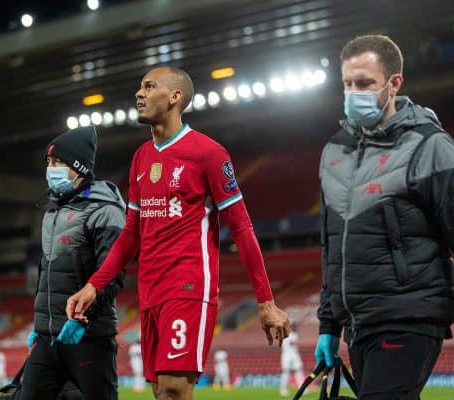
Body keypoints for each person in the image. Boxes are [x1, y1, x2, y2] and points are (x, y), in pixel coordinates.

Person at [66, 66, 290, 400]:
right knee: (161, 393)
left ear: (175, 97)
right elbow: (131, 234)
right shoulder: (141, 158)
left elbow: (241, 228)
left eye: (149, 86)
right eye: (139, 87)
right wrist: (93, 286)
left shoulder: (209, 154)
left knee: (173, 390)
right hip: (150, 291)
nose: (139, 93)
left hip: (187, 285)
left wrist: (266, 301)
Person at [315, 34, 454, 399]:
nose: (353, 93)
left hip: (409, 318)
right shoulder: (334, 153)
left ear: (394, 84)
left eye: (364, 84)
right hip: (358, 326)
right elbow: (331, 248)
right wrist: (328, 324)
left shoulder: (429, 146)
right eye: (347, 84)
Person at [21, 126, 126, 400]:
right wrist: (39, 326)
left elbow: (111, 274)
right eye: (49, 162)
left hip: (88, 339)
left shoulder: (106, 211)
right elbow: (46, 276)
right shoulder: (52, 212)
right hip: (48, 338)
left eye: (58, 162)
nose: (51, 169)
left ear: (79, 167)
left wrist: (83, 321)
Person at [279, 323, 304, 397]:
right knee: (286, 372)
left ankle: (302, 388)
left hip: (294, 355)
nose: (296, 328)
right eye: (294, 326)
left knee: (299, 370)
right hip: (287, 355)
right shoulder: (287, 334)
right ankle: (283, 389)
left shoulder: (294, 335)